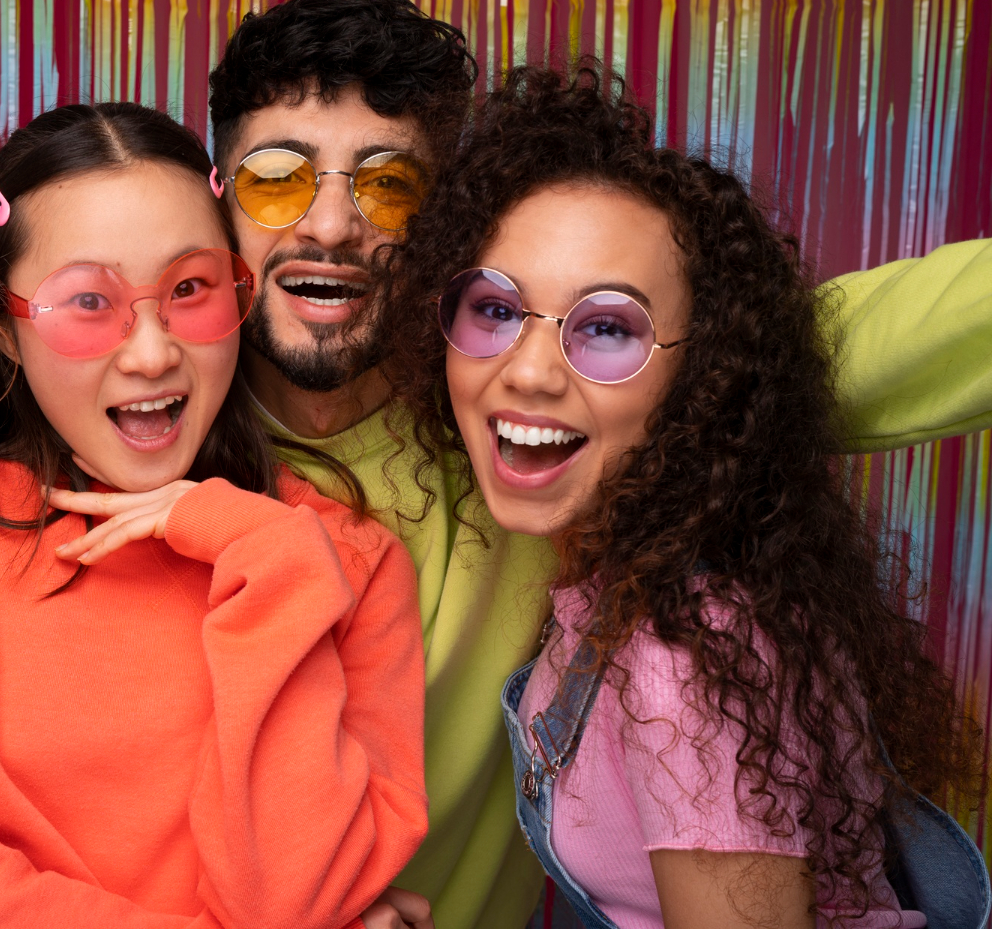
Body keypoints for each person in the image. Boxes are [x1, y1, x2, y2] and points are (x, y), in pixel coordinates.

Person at [0, 0, 992, 929]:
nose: (330, 221)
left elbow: (765, 349)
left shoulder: (505, 408)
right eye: (279, 179)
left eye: (388, 186)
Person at [384, 61, 990, 928]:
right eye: (497, 310)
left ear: (700, 379)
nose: (528, 371)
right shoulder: (615, 584)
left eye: (605, 327)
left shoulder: (687, 664)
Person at [0, 101, 428, 928]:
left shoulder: (342, 561)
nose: (151, 354)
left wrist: (269, 561)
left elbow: (286, 898)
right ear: (3, 326)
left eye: (190, 289)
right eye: (88, 301)